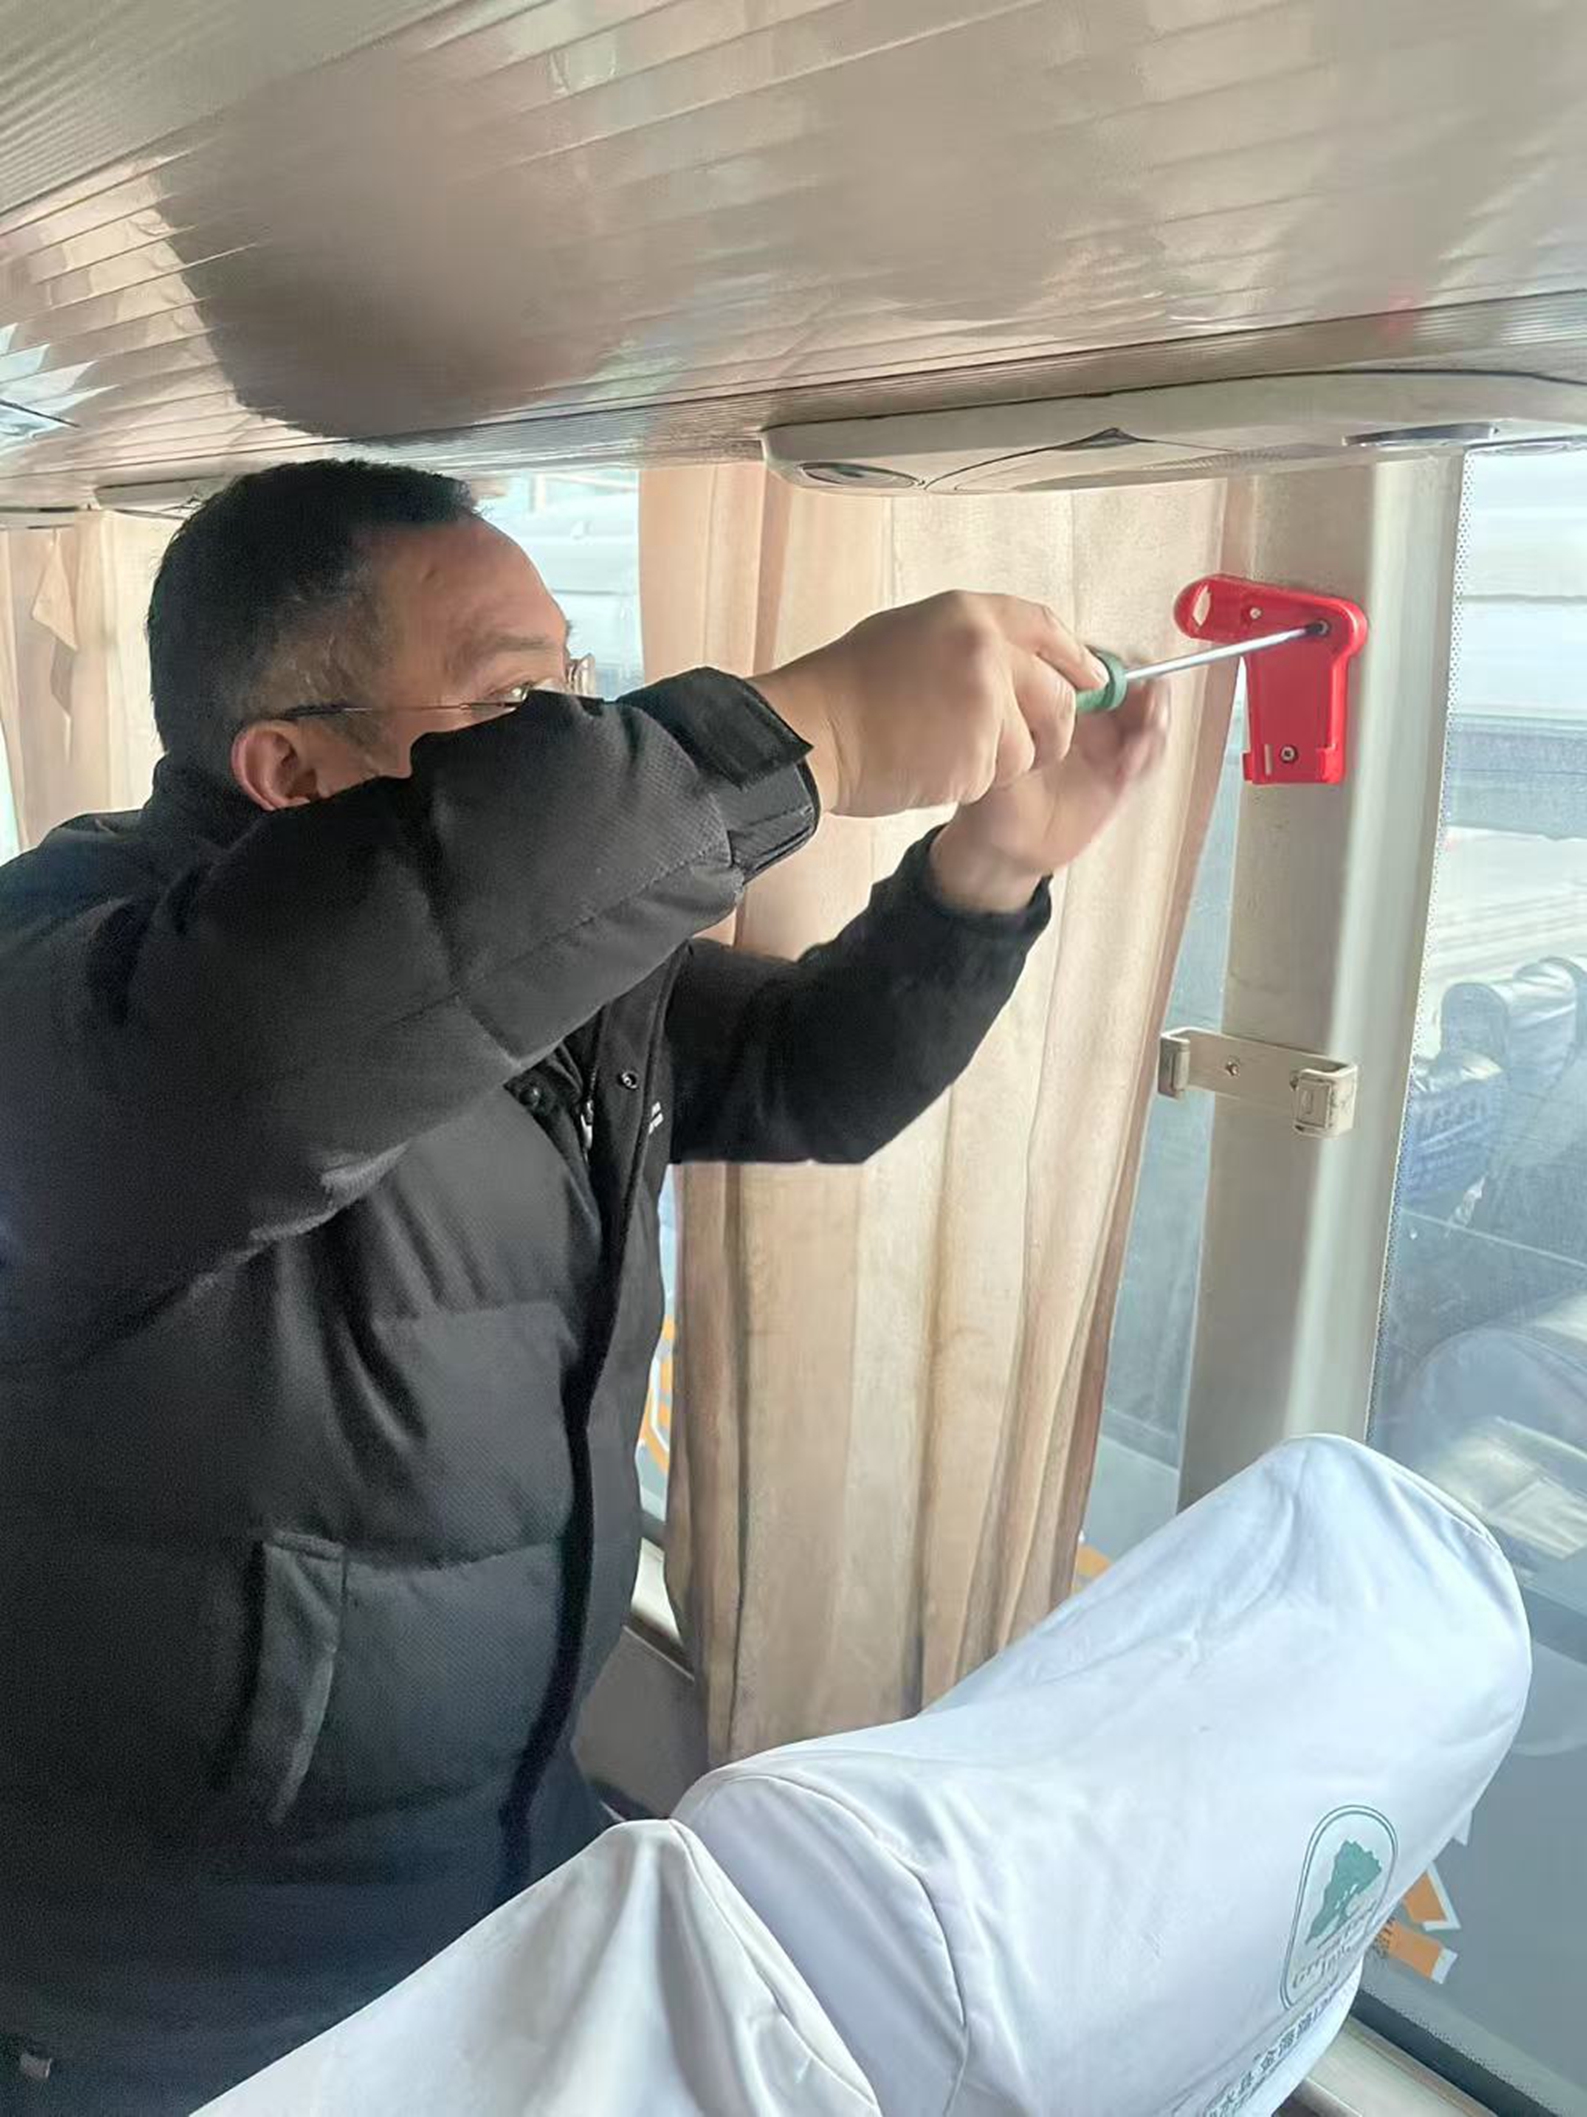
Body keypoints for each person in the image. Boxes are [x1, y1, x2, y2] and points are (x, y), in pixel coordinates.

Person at [0, 460, 1164, 2114]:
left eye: (576, 686)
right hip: (180, 1978)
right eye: (511, 704)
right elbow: (251, 1060)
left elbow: (807, 1077)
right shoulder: (75, 970)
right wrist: (813, 724)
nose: (566, 739)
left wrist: (991, 869)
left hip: (506, 1863)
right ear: (290, 770)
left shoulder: (561, 967)